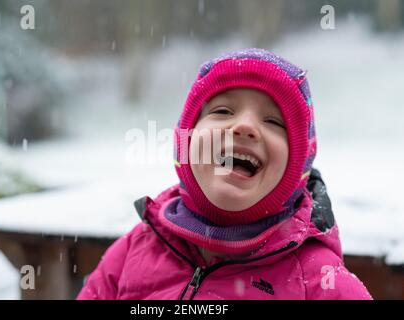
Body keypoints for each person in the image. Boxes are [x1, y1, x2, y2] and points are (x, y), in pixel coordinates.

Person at [77, 48, 372, 300]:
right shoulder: (134, 249)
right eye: (222, 111)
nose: (244, 126)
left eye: (272, 121)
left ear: (297, 168)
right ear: (186, 143)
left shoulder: (320, 281)